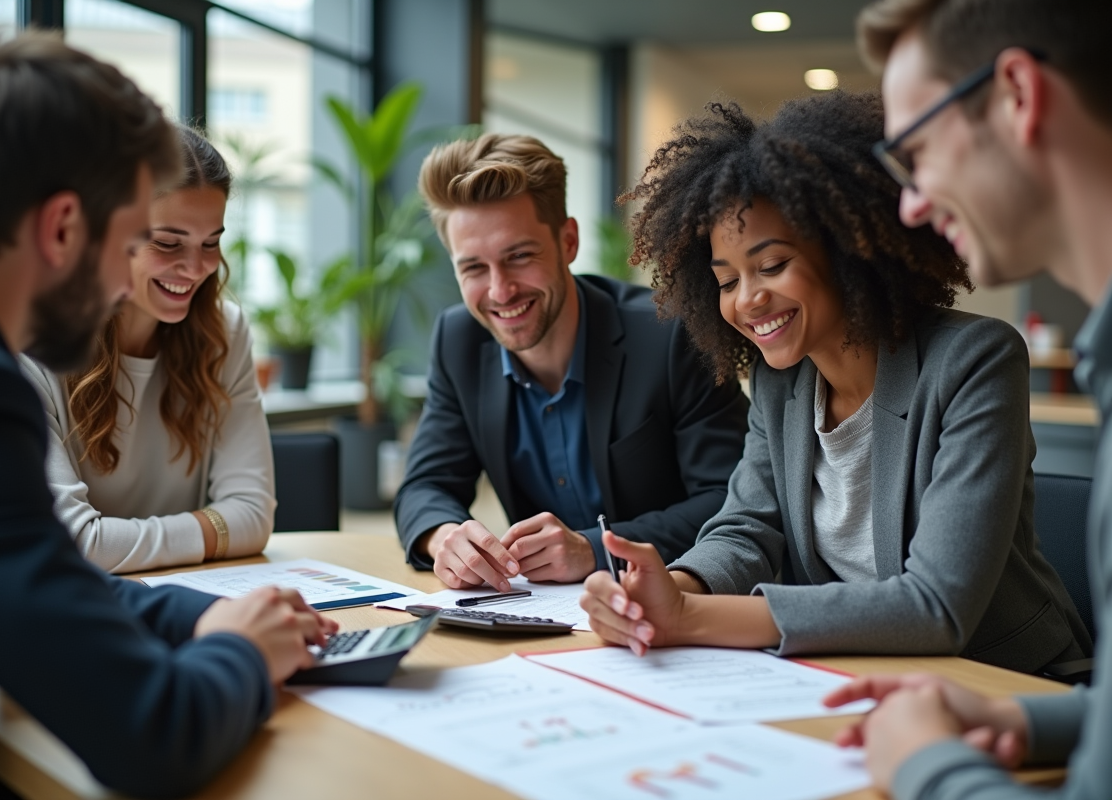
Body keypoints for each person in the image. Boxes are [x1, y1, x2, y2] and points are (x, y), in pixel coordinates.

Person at [0, 34, 336, 798]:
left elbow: (47, 569)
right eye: (133, 238)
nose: (125, 283)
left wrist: (197, 619)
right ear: (62, 228)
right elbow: (152, 736)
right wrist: (244, 652)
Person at [579, 91, 1090, 675]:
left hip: (1004, 682)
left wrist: (692, 617)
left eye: (772, 266)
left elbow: (936, 606)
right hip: (855, 674)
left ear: (850, 250)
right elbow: (746, 529)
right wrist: (671, 587)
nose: (748, 300)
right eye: (726, 281)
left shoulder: (974, 360)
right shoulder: (781, 383)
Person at [821, 0, 1112, 797]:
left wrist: (924, 763)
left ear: (1018, 93)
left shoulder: (973, 357)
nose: (910, 204)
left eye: (915, 150)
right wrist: (1025, 719)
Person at [395, 133, 750, 591]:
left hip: (678, 602)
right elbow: (425, 486)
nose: (500, 291)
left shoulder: (670, 335)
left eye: (519, 256)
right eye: (474, 268)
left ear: (568, 241)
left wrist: (595, 549)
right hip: (542, 614)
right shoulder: (457, 340)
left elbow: (732, 498)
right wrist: (444, 537)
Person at [20, 126, 275, 574]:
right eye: (167, 242)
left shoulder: (225, 333)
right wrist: (213, 529)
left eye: (211, 243)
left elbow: (253, 516)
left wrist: (113, 542)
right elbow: (73, 543)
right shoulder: (30, 346)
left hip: (189, 599)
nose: (195, 268)